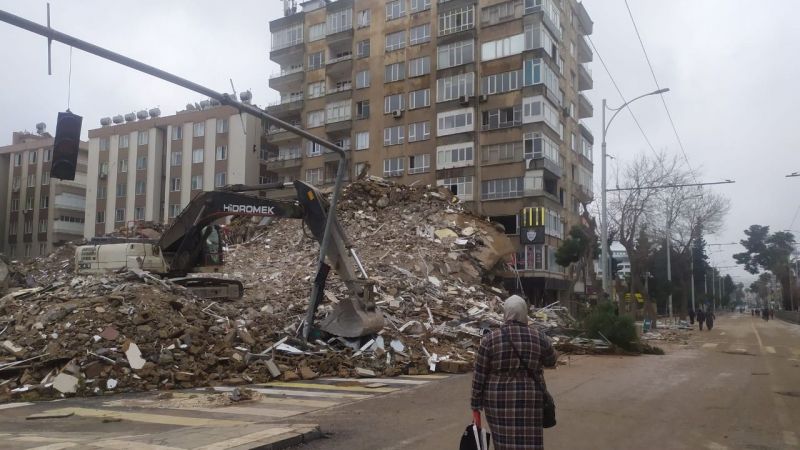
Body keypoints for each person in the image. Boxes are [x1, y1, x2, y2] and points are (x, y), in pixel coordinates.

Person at [471, 295, 557, 450]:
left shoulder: (490, 340)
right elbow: (551, 361)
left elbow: (479, 375)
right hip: (530, 399)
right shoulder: (539, 337)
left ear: (506, 313)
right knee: (531, 441)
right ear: (524, 313)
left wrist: (475, 406)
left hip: (497, 401)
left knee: (503, 441)